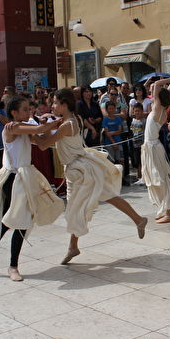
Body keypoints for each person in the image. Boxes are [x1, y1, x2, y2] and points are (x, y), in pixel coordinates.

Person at [35, 89, 147, 265]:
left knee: (77, 207)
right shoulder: (72, 120)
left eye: (55, 102)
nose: (52, 105)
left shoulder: (67, 124)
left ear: (64, 104)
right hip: (79, 168)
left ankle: (73, 246)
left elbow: (43, 145)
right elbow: (50, 135)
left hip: (80, 170)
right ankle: (138, 220)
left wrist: (26, 134)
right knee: (98, 199)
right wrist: (47, 124)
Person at [0, 97, 64, 281]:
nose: (28, 111)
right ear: (14, 112)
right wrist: (59, 120)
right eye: (24, 109)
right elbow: (37, 130)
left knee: (11, 220)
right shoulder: (12, 127)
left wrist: (48, 125)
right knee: (20, 220)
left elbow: (41, 141)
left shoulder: (25, 126)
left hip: (23, 178)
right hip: (14, 179)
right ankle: (12, 266)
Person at [142, 78, 170, 223]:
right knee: (158, 178)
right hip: (153, 147)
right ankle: (165, 209)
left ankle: (169, 212)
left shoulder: (156, 109)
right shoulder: (163, 111)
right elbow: (161, 90)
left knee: (159, 179)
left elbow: (156, 84)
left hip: (152, 148)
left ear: (158, 98)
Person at [130, 104, 146, 184]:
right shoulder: (133, 121)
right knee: (137, 161)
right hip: (135, 144)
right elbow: (132, 130)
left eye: (139, 111)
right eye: (135, 111)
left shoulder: (144, 121)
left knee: (142, 161)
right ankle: (139, 176)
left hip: (142, 144)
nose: (137, 112)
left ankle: (143, 177)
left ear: (142, 111)